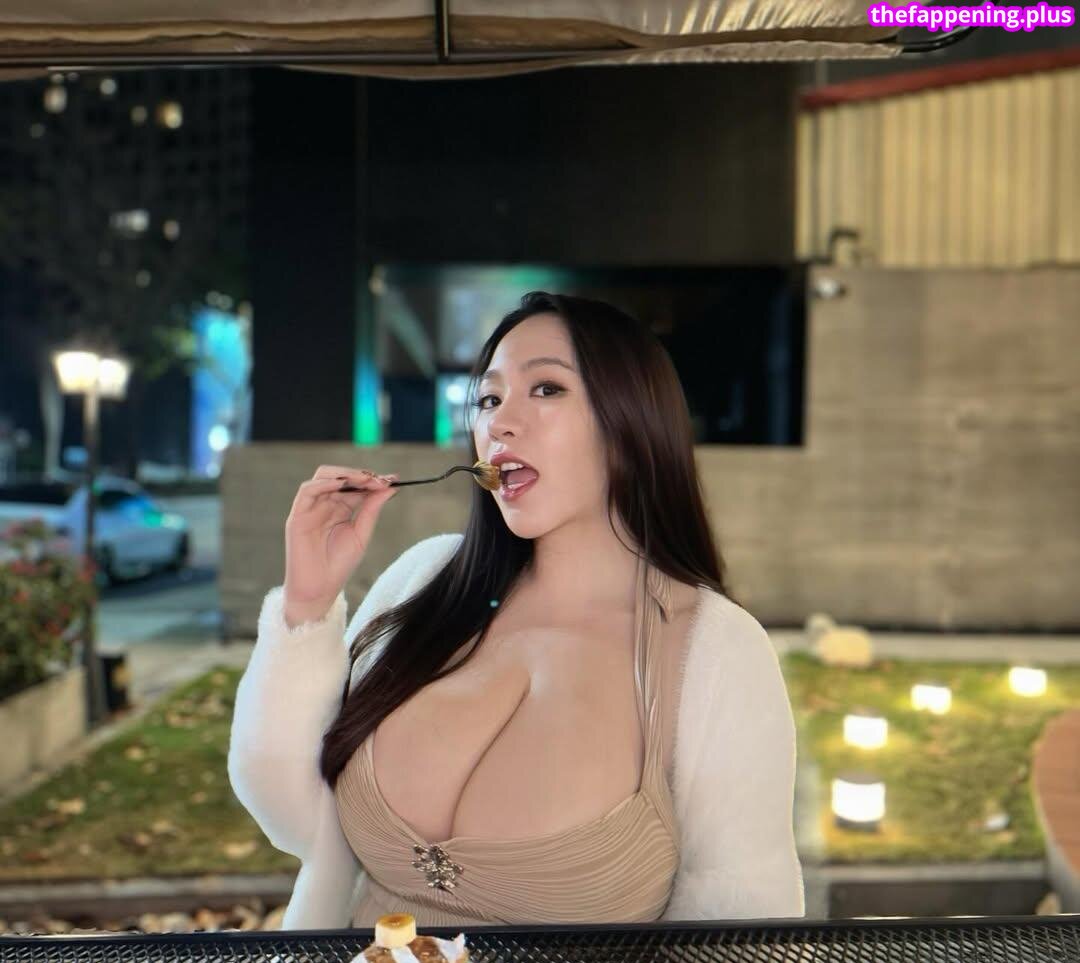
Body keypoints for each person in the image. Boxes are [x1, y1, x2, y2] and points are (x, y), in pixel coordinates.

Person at [228, 291, 805, 930]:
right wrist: (306, 606)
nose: (500, 423)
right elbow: (292, 816)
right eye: (488, 399)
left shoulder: (714, 651)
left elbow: (741, 924)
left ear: (632, 423)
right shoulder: (428, 579)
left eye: (547, 389)